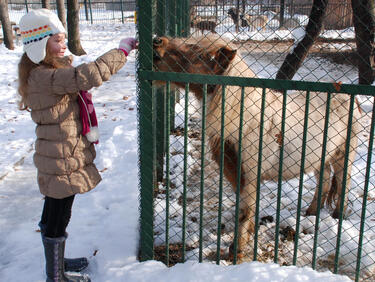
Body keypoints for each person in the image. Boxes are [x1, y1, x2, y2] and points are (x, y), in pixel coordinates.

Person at [17, 9, 137, 282]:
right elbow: (89, 75)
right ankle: (56, 275)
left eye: (63, 39)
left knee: (56, 212)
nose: (63, 45)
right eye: (56, 41)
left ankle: (56, 263)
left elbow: (74, 74)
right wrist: (121, 50)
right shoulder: (46, 76)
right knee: (58, 214)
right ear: (38, 45)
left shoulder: (43, 72)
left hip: (59, 153)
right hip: (61, 157)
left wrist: (64, 57)